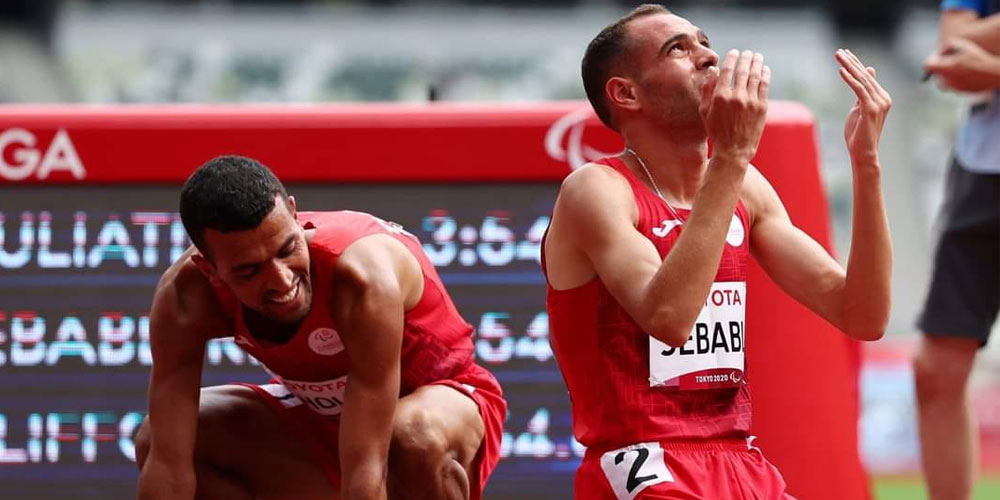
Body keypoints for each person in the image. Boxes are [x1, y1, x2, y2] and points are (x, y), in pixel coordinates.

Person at [542, 4, 892, 499]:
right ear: (626, 93)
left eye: (704, 42)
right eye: (678, 49)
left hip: (738, 459)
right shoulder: (596, 190)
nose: (708, 56)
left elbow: (862, 314)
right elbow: (667, 315)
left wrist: (867, 163)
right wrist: (729, 157)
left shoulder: (743, 184)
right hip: (643, 461)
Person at [134, 155, 506, 500]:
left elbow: (366, 470)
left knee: (413, 436)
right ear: (209, 269)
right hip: (320, 422)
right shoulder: (186, 299)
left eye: (287, 249)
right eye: (249, 270)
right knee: (158, 439)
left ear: (295, 215)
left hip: (441, 413)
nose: (281, 281)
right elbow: (168, 467)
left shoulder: (361, 277)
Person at [916, 2, 1000, 499]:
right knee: (935, 369)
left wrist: (989, 65)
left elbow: (972, 53)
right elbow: (949, 54)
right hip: (983, 166)